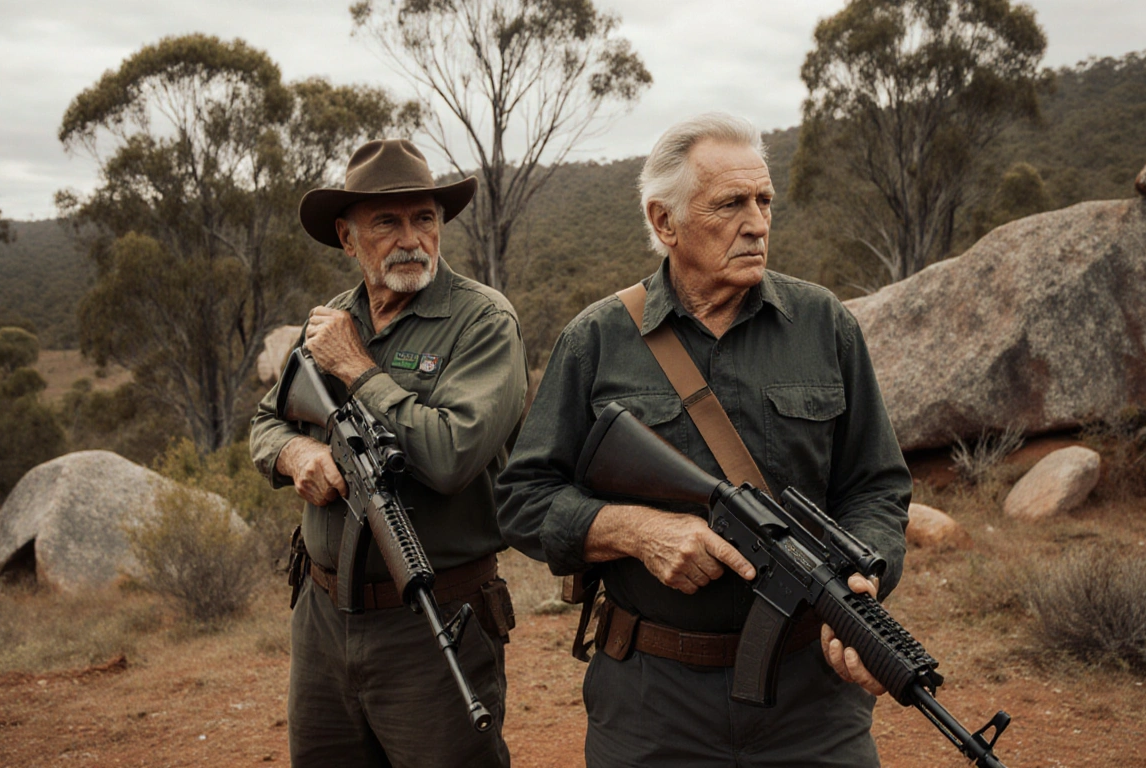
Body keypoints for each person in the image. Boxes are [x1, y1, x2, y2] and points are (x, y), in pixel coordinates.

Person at [495, 113, 911, 767]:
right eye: (731, 204)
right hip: (651, 702)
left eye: (765, 200)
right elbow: (523, 499)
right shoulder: (597, 339)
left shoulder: (824, 325)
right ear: (665, 223)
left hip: (811, 702)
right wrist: (635, 531)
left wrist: (865, 579)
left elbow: (877, 486)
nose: (757, 222)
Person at [250, 139, 526, 768]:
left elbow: (453, 454)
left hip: (436, 622)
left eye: (424, 218)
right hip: (321, 620)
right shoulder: (330, 321)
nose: (412, 238)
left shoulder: (481, 322)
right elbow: (265, 423)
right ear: (348, 239)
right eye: (387, 222)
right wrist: (296, 456)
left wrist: (357, 368)